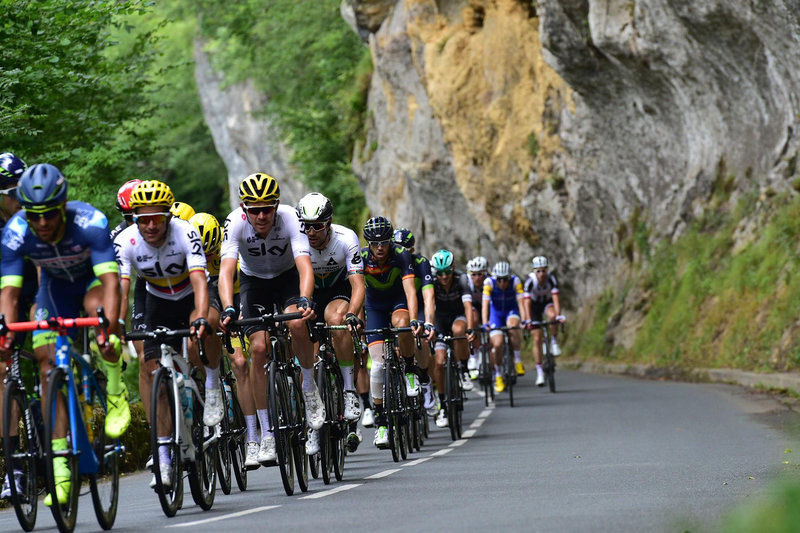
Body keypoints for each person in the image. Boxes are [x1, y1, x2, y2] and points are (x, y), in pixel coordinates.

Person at [0, 163, 127, 506]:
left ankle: (115, 388)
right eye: (34, 215)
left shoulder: (90, 222)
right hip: (54, 292)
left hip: (91, 284)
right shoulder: (14, 232)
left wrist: (108, 328)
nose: (42, 223)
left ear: (63, 205)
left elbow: (112, 283)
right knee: (45, 366)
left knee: (101, 317)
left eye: (49, 214)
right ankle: (60, 468)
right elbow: (9, 294)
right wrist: (5, 332)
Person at [115, 181, 223, 487]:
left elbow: (201, 283)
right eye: (142, 219)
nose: (150, 225)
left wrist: (201, 318)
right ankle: (163, 455)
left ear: (168, 216)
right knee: (153, 374)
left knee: (202, 330)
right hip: (157, 301)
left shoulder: (186, 233)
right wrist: (118, 328)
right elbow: (123, 292)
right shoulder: (126, 241)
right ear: (134, 218)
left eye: (157, 218)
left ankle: (211, 388)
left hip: (190, 295)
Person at [217, 172, 323, 465]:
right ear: (244, 209)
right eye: (254, 210)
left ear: (276, 206)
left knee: (297, 321)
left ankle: (309, 385)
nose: (261, 215)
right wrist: (228, 307)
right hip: (254, 283)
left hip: (287, 278)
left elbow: (304, 265)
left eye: (267, 208)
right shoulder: (235, 223)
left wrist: (305, 299)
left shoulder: (290, 218)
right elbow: (226, 271)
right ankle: (266, 433)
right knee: (259, 349)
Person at [296, 192, 365, 454]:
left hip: (339, 291)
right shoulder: (298, 240)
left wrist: (353, 313)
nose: (310, 232)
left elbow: (358, 283)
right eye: (306, 225)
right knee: (309, 363)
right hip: (312, 294)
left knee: (335, 319)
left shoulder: (346, 238)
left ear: (329, 222)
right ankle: (313, 426)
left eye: (317, 226)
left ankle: (348, 391)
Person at [360, 216, 424, 447]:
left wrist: (415, 319)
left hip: (397, 302)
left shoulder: (401, 255)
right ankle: (382, 423)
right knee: (377, 366)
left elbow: (409, 291)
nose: (379, 247)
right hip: (374, 307)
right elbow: (356, 291)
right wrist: (356, 319)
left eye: (384, 242)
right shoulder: (362, 258)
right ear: (367, 242)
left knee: (403, 323)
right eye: (374, 243)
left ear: (390, 241)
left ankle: (408, 368)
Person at [0, 152, 38, 500]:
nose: (18, 198)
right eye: (11, 192)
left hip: (40, 292)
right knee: (3, 372)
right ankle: (14, 469)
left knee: (47, 354)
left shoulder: (36, 216)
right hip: (8, 295)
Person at [391, 228, 436, 414]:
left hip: (417, 308)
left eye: (406, 248)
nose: (401, 252)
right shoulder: (389, 263)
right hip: (396, 308)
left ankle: (425, 380)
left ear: (412, 249)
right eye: (397, 247)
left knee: (422, 339)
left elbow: (429, 296)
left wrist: (429, 322)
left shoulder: (421, 263)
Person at [430, 249, 475, 427]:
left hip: (458, 316)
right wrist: (430, 327)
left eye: (447, 272)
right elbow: (429, 306)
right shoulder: (432, 282)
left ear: (453, 269)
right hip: (440, 320)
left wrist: (470, 328)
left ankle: (464, 370)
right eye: (440, 273)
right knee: (439, 363)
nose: (444, 276)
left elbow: (468, 305)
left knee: (458, 331)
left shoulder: (462, 279)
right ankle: (443, 405)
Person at [482, 261, 528, 393]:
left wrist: (524, 321)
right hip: (496, 314)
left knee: (513, 326)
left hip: (511, 311)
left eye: (505, 279)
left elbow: (521, 302)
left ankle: (518, 361)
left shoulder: (515, 281)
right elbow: (485, 305)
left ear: (509, 277)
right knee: (497, 344)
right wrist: (485, 323)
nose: (502, 283)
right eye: (500, 280)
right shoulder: (489, 283)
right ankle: (499, 376)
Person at [523, 256, 566, 386]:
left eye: (544, 271)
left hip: (547, 304)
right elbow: (526, 302)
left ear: (547, 270)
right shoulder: (530, 281)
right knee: (536, 338)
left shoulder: (551, 279)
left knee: (552, 316)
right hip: (534, 307)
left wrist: (558, 316)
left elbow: (556, 299)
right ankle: (540, 372)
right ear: (534, 272)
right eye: (538, 271)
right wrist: (528, 319)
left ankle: (553, 341)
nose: (541, 274)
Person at [465, 256, 489, 378]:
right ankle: (474, 356)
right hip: (473, 306)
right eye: (474, 274)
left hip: (487, 306)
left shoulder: (489, 281)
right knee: (473, 320)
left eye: (480, 274)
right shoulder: (467, 282)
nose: (477, 278)